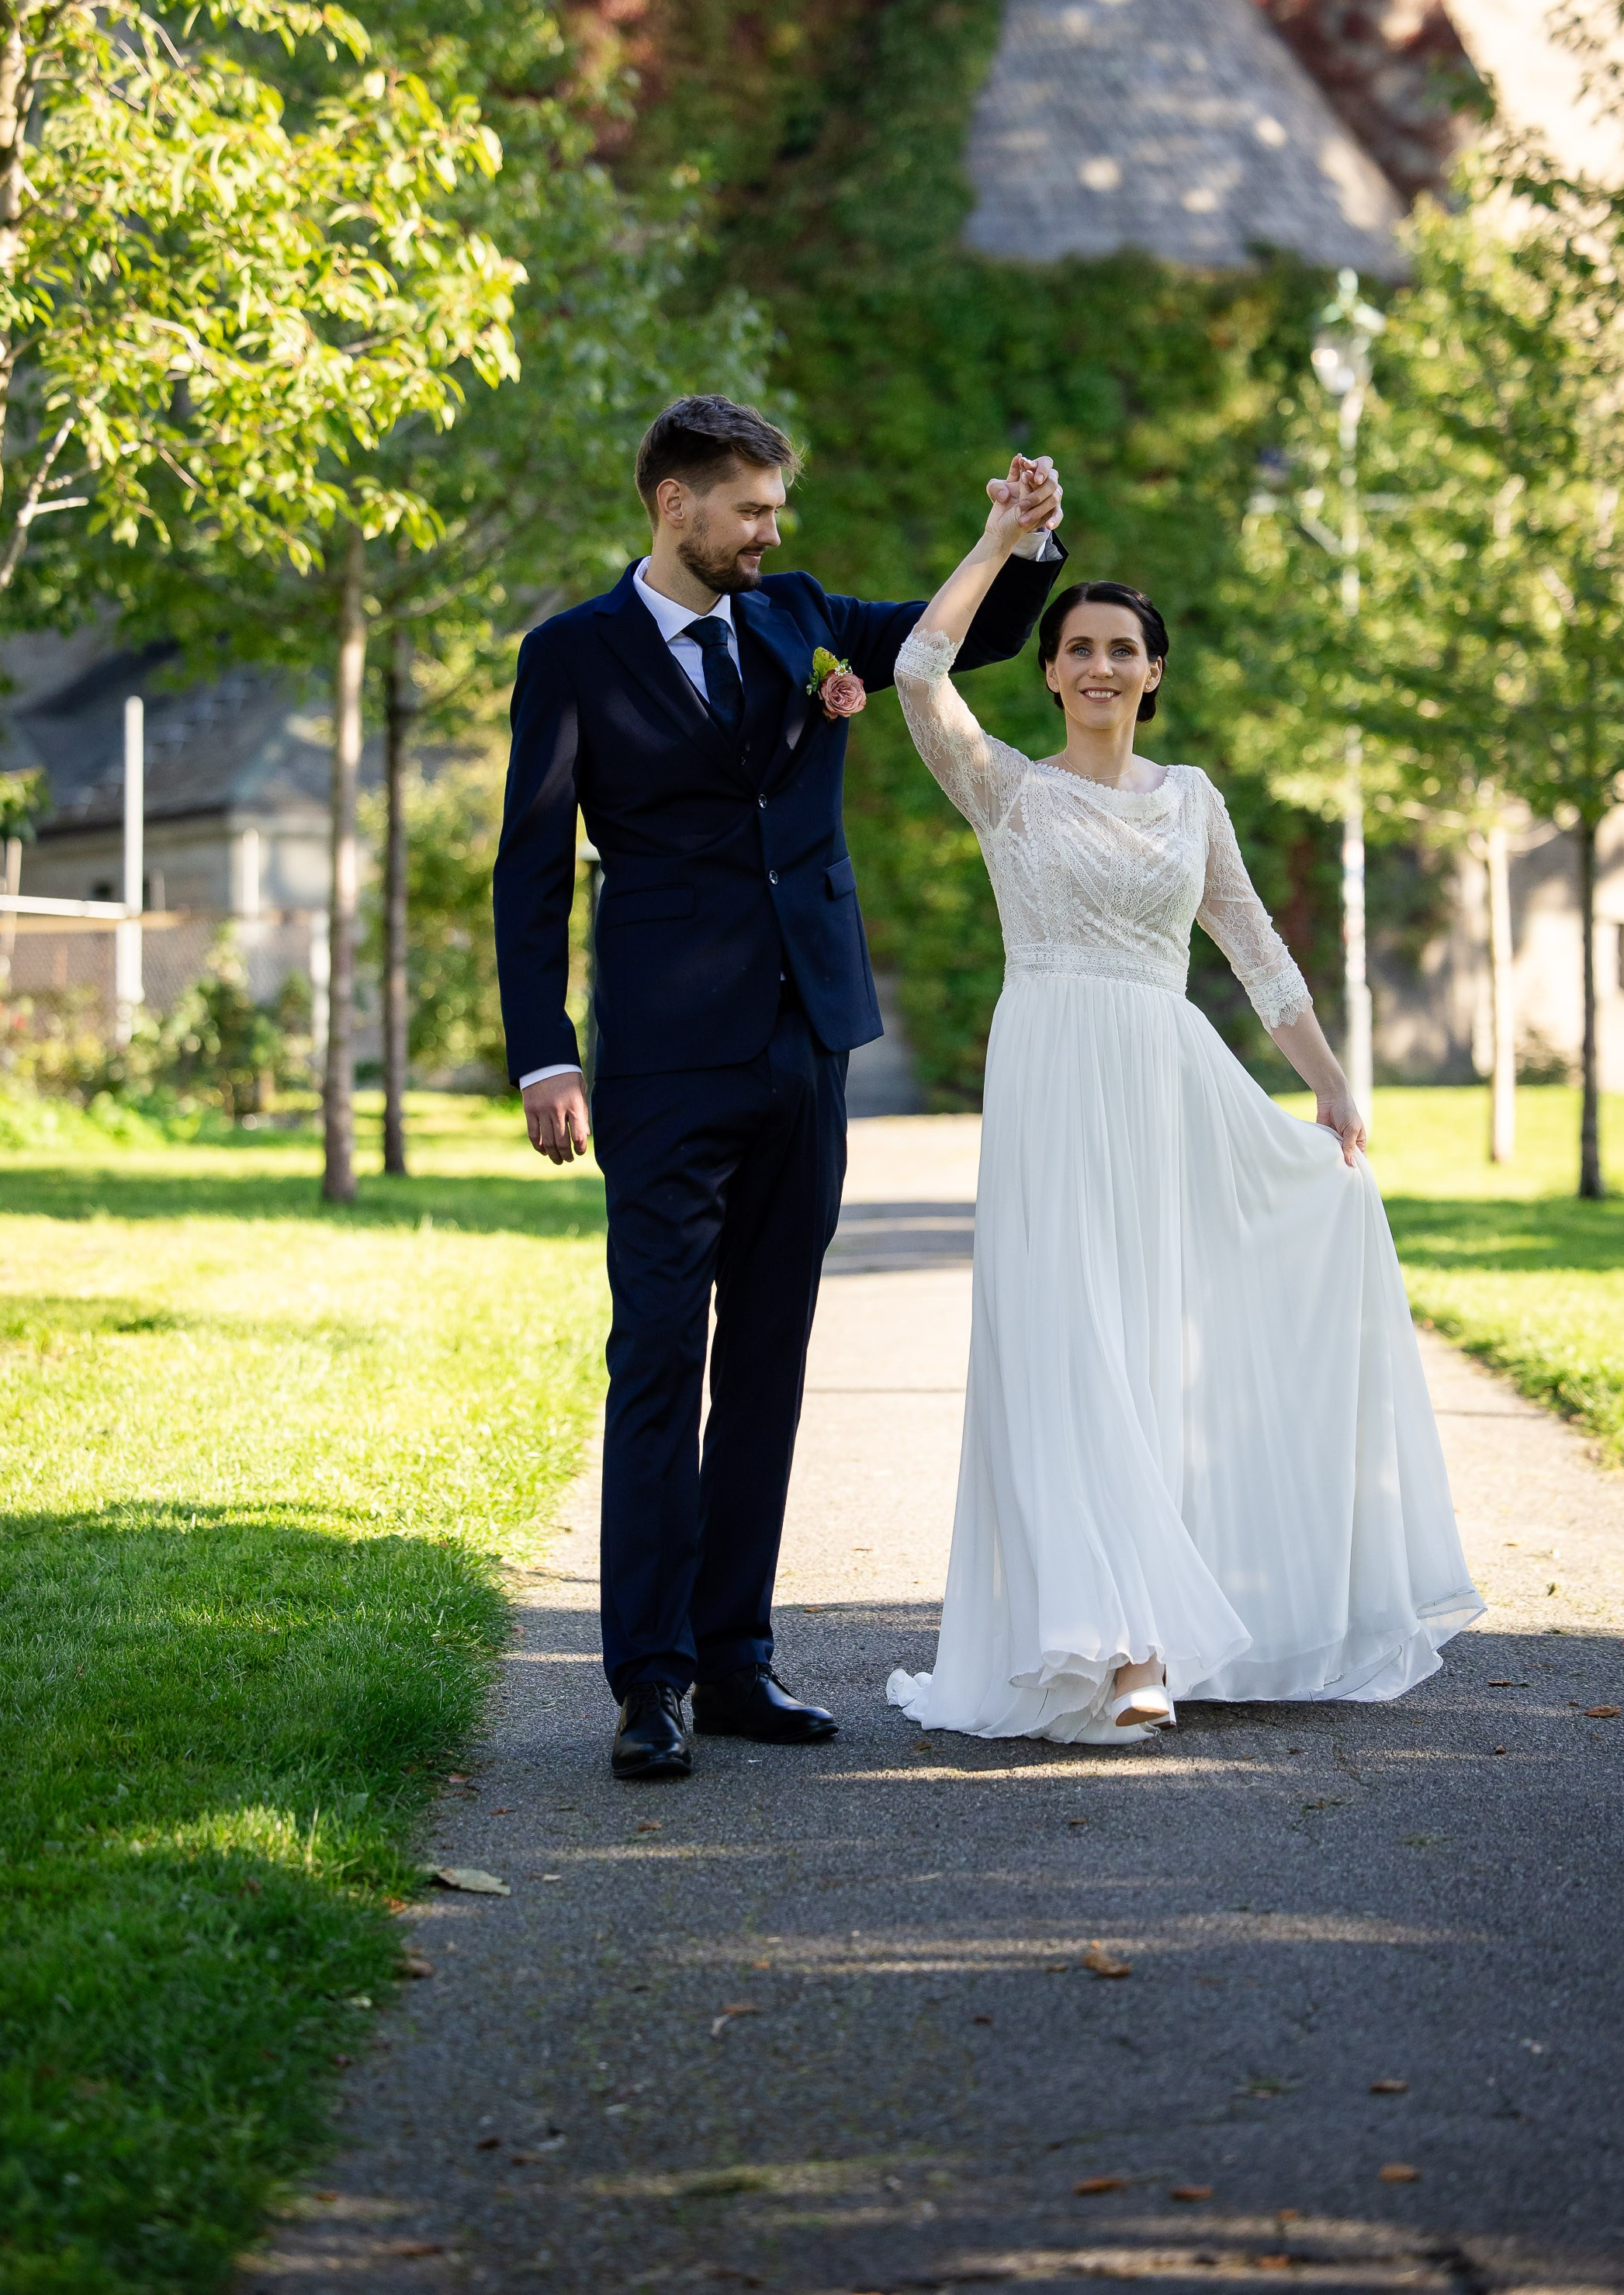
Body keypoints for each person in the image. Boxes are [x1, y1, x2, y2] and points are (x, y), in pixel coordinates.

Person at [493, 395, 1065, 1778]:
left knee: (767, 1359)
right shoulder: (571, 654)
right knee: (657, 1361)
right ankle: (649, 1679)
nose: (770, 532)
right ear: (673, 505)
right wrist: (544, 1048)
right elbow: (527, 862)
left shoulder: (800, 611)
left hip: (807, 1041)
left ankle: (738, 1657)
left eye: (775, 510)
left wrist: (1021, 540)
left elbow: (967, 639)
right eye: (748, 509)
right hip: (662, 1059)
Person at [885, 576, 1483, 1744]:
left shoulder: (1192, 801)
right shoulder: (1005, 790)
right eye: (1078, 649)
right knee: (1065, 1347)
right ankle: (1119, 1647)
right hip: (1049, 1071)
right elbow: (918, 673)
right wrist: (1004, 544)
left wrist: (1329, 1079)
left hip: (1162, 1079)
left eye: (1123, 650)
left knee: (1148, 1345)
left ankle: (1147, 1630)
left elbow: (1256, 947)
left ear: (1154, 674)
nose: (1100, 667)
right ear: (1050, 671)